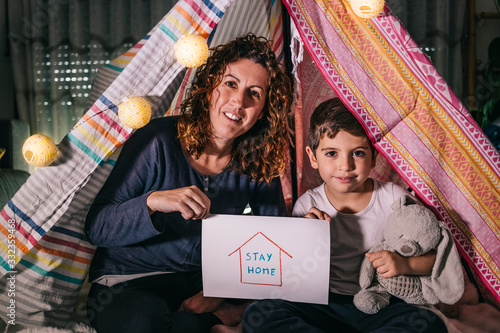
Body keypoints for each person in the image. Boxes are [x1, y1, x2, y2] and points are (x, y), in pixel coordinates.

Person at [85, 33, 292, 333]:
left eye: (254, 93)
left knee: (196, 326)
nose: (238, 101)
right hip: (126, 283)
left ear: (263, 112)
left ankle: (226, 316)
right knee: (144, 324)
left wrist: (216, 294)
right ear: (210, 87)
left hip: (199, 287)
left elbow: (273, 249)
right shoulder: (157, 140)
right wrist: (154, 202)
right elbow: (97, 227)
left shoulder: (257, 164)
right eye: (230, 83)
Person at [242, 98, 449, 332]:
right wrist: (305, 235)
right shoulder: (308, 204)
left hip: (381, 302)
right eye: (331, 153)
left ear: (374, 157)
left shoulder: (394, 198)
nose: (345, 165)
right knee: (259, 313)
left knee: (429, 323)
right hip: (323, 304)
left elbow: (437, 257)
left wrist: (405, 264)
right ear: (313, 157)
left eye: (358, 153)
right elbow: (294, 274)